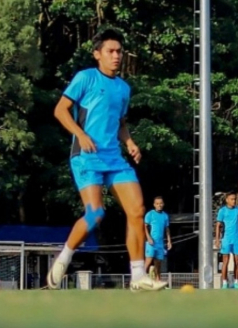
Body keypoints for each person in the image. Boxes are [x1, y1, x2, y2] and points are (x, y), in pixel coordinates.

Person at [47, 29, 165, 291]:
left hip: (114, 158)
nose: (116, 56)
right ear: (97, 54)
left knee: (137, 211)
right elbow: (60, 110)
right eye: (110, 51)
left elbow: (120, 123)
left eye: (119, 51)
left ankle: (137, 277)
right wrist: (80, 133)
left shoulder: (123, 88)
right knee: (96, 213)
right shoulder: (85, 78)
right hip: (86, 156)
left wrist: (131, 142)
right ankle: (65, 256)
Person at [215, 192, 238, 289]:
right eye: (232, 199)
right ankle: (224, 283)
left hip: (236, 239)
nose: (234, 201)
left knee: (237, 261)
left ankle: (236, 282)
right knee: (225, 261)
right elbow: (218, 225)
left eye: (235, 199)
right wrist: (217, 239)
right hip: (226, 239)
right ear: (227, 200)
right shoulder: (222, 211)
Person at [145, 196, 172, 281]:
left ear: (163, 204)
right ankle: (139, 279)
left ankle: (158, 281)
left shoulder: (165, 216)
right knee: (148, 260)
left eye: (160, 203)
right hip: (151, 242)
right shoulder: (150, 214)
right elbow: (144, 226)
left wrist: (169, 241)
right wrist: (149, 238)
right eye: (157, 203)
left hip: (160, 243)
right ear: (154, 205)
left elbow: (167, 229)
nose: (159, 205)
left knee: (158, 263)